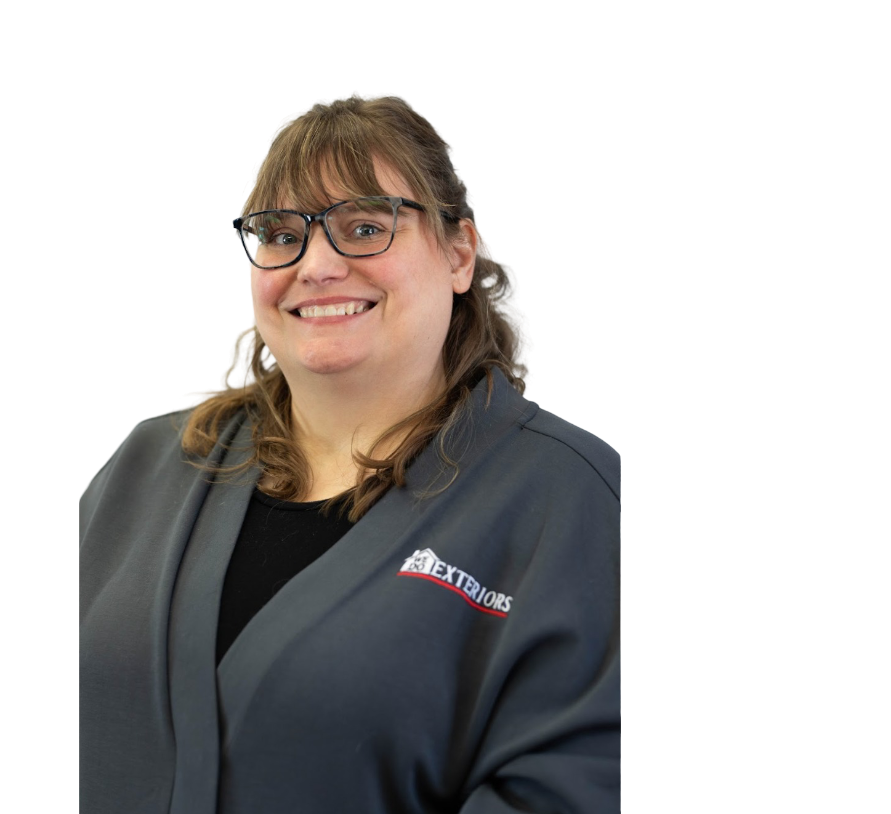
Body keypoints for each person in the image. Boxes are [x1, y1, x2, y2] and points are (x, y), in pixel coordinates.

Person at [79, 89, 621, 814]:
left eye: (365, 227)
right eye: (280, 233)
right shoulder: (147, 465)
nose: (318, 265)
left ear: (460, 253)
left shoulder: (573, 501)